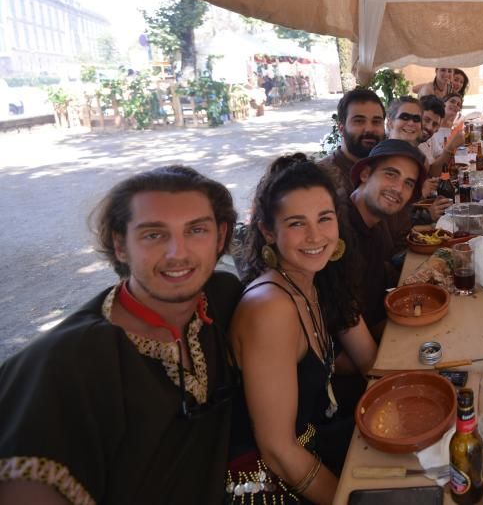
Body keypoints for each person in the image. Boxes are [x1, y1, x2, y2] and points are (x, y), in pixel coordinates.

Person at [0, 166, 241, 504]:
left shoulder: (224, 298)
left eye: (196, 230)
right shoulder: (69, 360)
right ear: (120, 245)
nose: (178, 253)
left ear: (220, 236)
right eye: (154, 235)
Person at [228, 155, 376, 502]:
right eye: (297, 223)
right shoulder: (270, 308)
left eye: (324, 218)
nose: (315, 236)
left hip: (310, 446)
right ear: (267, 231)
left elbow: (322, 362)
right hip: (266, 484)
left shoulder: (310, 282)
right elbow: (278, 451)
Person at [347, 140, 426, 337]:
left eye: (408, 183)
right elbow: (344, 323)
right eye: (391, 174)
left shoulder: (374, 221)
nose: (398, 189)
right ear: (365, 174)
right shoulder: (338, 232)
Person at [318, 89, 385, 207]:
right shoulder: (321, 178)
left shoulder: (387, 170)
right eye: (359, 121)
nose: (369, 129)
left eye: (376, 122)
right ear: (341, 128)